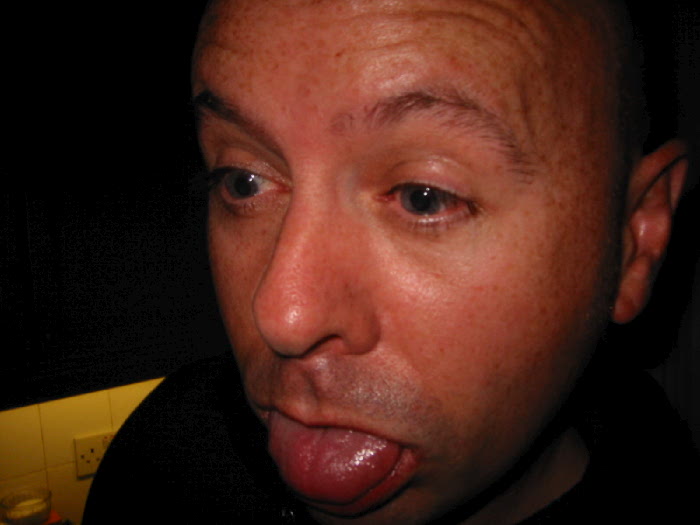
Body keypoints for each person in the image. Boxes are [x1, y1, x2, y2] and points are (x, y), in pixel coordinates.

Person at [84, 0, 699, 523]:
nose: (283, 317)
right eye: (243, 181)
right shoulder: (162, 466)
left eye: (423, 197)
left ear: (634, 240)